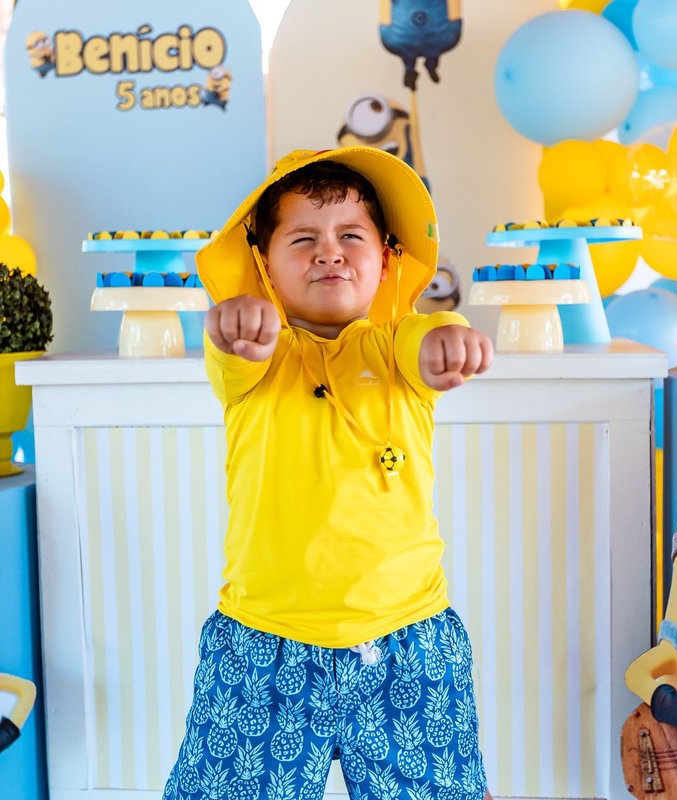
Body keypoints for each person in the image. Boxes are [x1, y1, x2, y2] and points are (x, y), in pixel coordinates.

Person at [163, 147, 494, 800]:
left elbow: (430, 337)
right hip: (264, 644)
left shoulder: (399, 348)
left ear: (387, 260)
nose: (330, 254)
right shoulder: (256, 359)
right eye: (303, 239)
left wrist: (451, 336)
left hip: (407, 640)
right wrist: (235, 324)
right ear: (264, 263)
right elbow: (236, 349)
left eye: (351, 236)